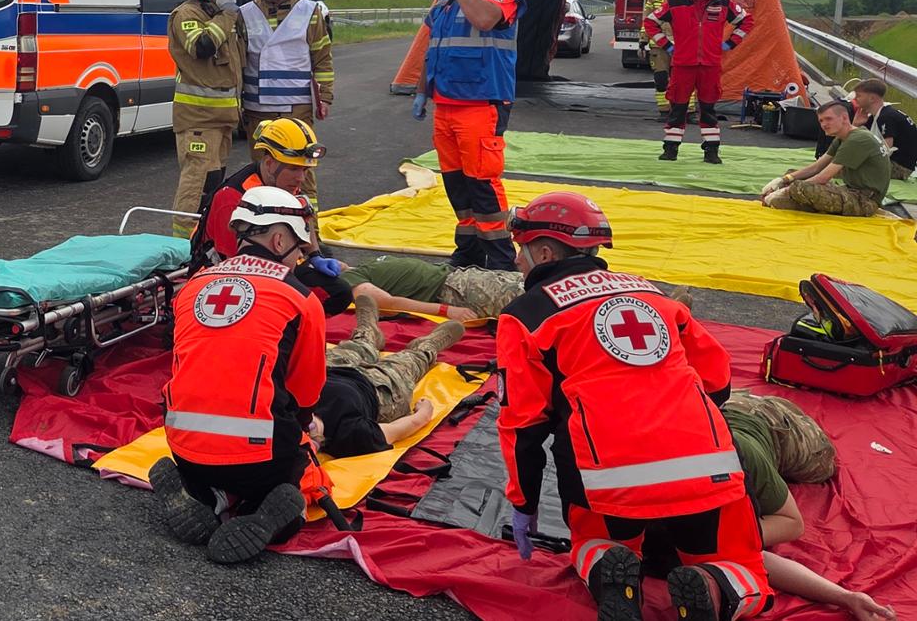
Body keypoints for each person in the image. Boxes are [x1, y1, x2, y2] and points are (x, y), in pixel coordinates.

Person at [498, 191, 771, 620]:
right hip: (706, 465)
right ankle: (715, 588)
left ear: (546, 251)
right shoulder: (653, 293)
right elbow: (717, 377)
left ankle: (610, 570)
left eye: (521, 250)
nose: (517, 262)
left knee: (594, 543)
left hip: (607, 476)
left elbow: (523, 423)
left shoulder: (525, 315)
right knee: (742, 565)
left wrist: (523, 504)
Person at [148, 186, 325, 564]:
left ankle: (204, 495)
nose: (299, 259)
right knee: (302, 473)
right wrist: (305, 431)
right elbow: (305, 390)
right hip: (259, 460)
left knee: (218, 461)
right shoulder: (299, 298)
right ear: (279, 238)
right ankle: (268, 515)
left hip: (185, 447)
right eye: (299, 250)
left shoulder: (192, 287)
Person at [719, 391, 895, 620]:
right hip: (723, 408)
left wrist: (730, 537)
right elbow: (755, 557)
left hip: (769, 421)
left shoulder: (740, 457)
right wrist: (847, 598)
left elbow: (791, 523)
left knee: (822, 464)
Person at [419, 0, 522, 271]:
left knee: (482, 182)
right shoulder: (445, 3)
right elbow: (433, 48)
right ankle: (469, 250)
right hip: (446, 104)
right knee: (456, 183)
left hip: (481, 102)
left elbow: (486, 19)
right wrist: (422, 91)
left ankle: (501, 258)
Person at [309, 294, 464, 459]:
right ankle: (426, 348)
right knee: (405, 365)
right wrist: (423, 415)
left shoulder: (290, 406)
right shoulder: (350, 436)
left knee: (353, 348)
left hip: (333, 370)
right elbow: (394, 431)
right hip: (379, 391)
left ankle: (368, 333)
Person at [167, 0, 251, 238]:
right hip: (198, 121)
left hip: (223, 119)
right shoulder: (187, 14)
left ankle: (203, 237)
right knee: (196, 181)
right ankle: (180, 244)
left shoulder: (221, 19)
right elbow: (202, 46)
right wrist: (227, 16)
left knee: (214, 182)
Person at [239, 0, 333, 197]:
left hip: (296, 107)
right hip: (257, 108)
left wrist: (324, 98)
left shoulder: (309, 12)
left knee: (300, 171)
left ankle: (307, 228)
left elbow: (322, 58)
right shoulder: (244, 14)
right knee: (263, 171)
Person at [644, 0, 752, 164]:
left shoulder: (724, 3)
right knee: (678, 107)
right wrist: (667, 45)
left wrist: (730, 43)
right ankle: (670, 149)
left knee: (709, 108)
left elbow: (746, 21)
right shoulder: (676, 3)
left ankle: (711, 151)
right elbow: (650, 22)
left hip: (710, 65)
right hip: (683, 64)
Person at [195, 116, 323, 263]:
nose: (301, 178)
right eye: (294, 169)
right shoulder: (233, 199)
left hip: (274, 258)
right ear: (269, 163)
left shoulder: (284, 184)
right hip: (228, 270)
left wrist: (315, 255)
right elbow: (234, 264)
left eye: (305, 170)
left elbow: (303, 211)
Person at [761, 101, 890, 217]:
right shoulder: (843, 137)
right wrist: (783, 180)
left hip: (864, 201)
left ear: (844, 118)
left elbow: (823, 177)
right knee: (793, 174)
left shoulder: (857, 139)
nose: (824, 124)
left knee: (799, 187)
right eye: (821, 121)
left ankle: (791, 201)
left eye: (828, 119)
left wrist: (785, 191)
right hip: (851, 190)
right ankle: (793, 200)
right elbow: (817, 167)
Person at [340, 255, 522, 323]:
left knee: (537, 279)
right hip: (455, 290)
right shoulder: (348, 280)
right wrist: (446, 310)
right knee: (536, 297)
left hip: (463, 277)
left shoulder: (360, 268)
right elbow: (388, 304)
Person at [643, 0, 687, 116]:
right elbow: (646, 18)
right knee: (660, 78)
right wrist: (643, 40)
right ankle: (664, 110)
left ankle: (688, 111)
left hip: (683, 44)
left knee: (684, 80)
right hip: (659, 45)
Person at [850, 78, 916, 180]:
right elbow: (858, 141)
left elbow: (886, 149)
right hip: (894, 162)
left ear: (872, 98)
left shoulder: (886, 117)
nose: (855, 99)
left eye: (859, 96)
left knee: (849, 169)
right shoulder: (878, 114)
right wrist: (855, 124)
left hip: (899, 167)